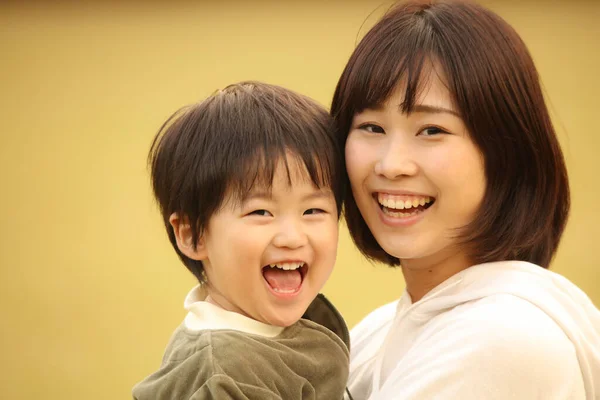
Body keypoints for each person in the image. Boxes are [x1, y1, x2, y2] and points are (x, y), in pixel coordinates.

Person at [330, 1, 600, 398]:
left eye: (432, 129)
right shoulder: (379, 331)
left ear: (506, 152)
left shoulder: (500, 337)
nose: (392, 165)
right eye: (371, 126)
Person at [133, 81, 351, 399]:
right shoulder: (221, 373)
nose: (292, 237)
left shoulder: (285, 327)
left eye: (313, 210)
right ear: (193, 234)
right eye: (261, 212)